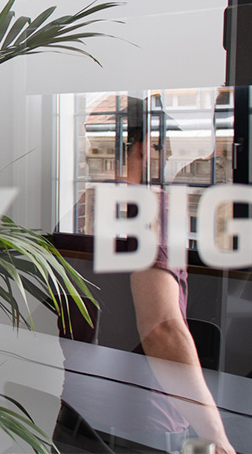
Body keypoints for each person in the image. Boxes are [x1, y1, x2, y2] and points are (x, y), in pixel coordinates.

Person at [53, 96, 235, 454]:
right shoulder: (150, 211)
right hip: (139, 429)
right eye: (163, 147)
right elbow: (161, 328)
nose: (165, 158)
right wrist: (215, 434)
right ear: (147, 145)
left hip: (77, 418)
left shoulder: (79, 211)